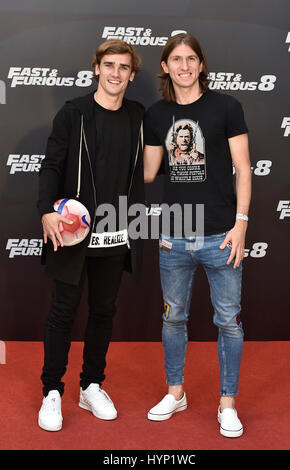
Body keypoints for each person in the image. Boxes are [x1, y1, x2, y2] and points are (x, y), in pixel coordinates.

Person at [143, 33, 251, 438]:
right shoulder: (156, 115)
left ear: (201, 65)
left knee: (228, 321)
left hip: (222, 234)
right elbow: (150, 171)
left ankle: (227, 403)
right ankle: (176, 392)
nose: (184, 66)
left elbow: (244, 168)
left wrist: (241, 223)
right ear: (166, 67)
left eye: (191, 58)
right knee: (174, 319)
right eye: (176, 59)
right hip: (174, 235)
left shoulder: (227, 106)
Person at [37, 39, 144, 431]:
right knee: (62, 312)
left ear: (132, 75)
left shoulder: (137, 115)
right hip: (72, 231)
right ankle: (52, 391)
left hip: (116, 232)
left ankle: (91, 384)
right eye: (109, 65)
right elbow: (51, 165)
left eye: (123, 68)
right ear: (96, 68)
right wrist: (47, 211)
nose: (116, 73)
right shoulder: (74, 113)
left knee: (103, 312)